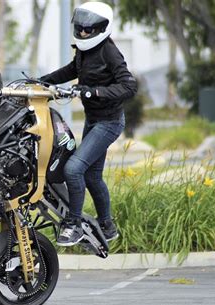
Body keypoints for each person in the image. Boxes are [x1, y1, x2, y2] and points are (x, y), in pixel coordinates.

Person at [39, 1, 137, 246]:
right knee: (93, 177)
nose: (83, 33)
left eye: (88, 30)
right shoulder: (84, 50)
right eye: (80, 28)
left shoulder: (109, 52)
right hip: (94, 120)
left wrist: (94, 92)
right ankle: (108, 226)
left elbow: (128, 86)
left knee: (74, 169)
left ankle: (73, 224)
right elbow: (73, 69)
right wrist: (43, 80)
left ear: (101, 29)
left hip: (109, 122)